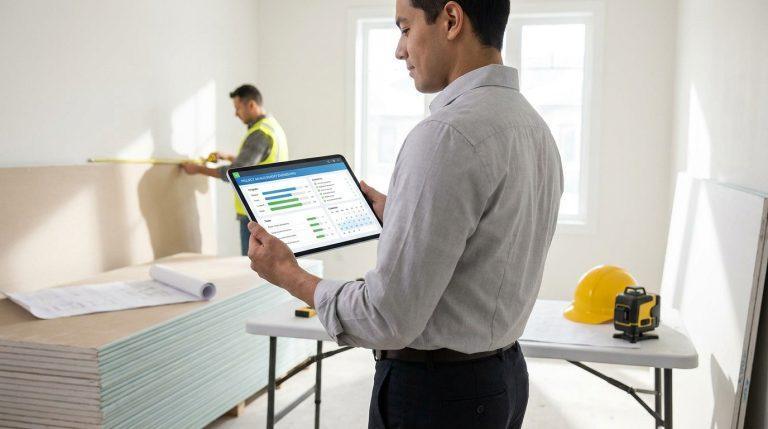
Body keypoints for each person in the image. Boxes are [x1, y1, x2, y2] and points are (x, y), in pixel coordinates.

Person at [245, 0, 563, 427]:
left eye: (405, 28)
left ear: (451, 20)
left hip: (438, 396)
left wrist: (289, 274)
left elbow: (386, 317)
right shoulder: (533, 127)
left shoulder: (445, 135)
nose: (400, 50)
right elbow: (492, 239)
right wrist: (403, 214)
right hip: (502, 378)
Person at [181, 84, 288, 255]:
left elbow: (235, 173)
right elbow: (261, 162)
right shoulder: (272, 127)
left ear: (251, 105)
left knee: (254, 267)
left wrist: (198, 169)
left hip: (255, 213)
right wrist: (229, 157)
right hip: (269, 208)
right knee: (267, 267)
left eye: (238, 108)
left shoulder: (259, 133)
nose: (235, 113)